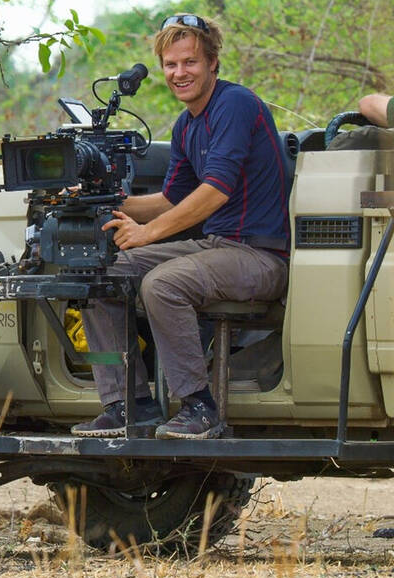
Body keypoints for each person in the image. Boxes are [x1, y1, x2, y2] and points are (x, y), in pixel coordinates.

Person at [70, 14, 290, 440]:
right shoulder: (187, 124)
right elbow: (171, 199)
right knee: (98, 276)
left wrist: (147, 234)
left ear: (212, 63)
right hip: (216, 247)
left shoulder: (235, 105)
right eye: (171, 65)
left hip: (259, 256)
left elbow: (215, 192)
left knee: (162, 284)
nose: (179, 73)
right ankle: (128, 403)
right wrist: (100, 200)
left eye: (189, 62)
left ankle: (199, 407)